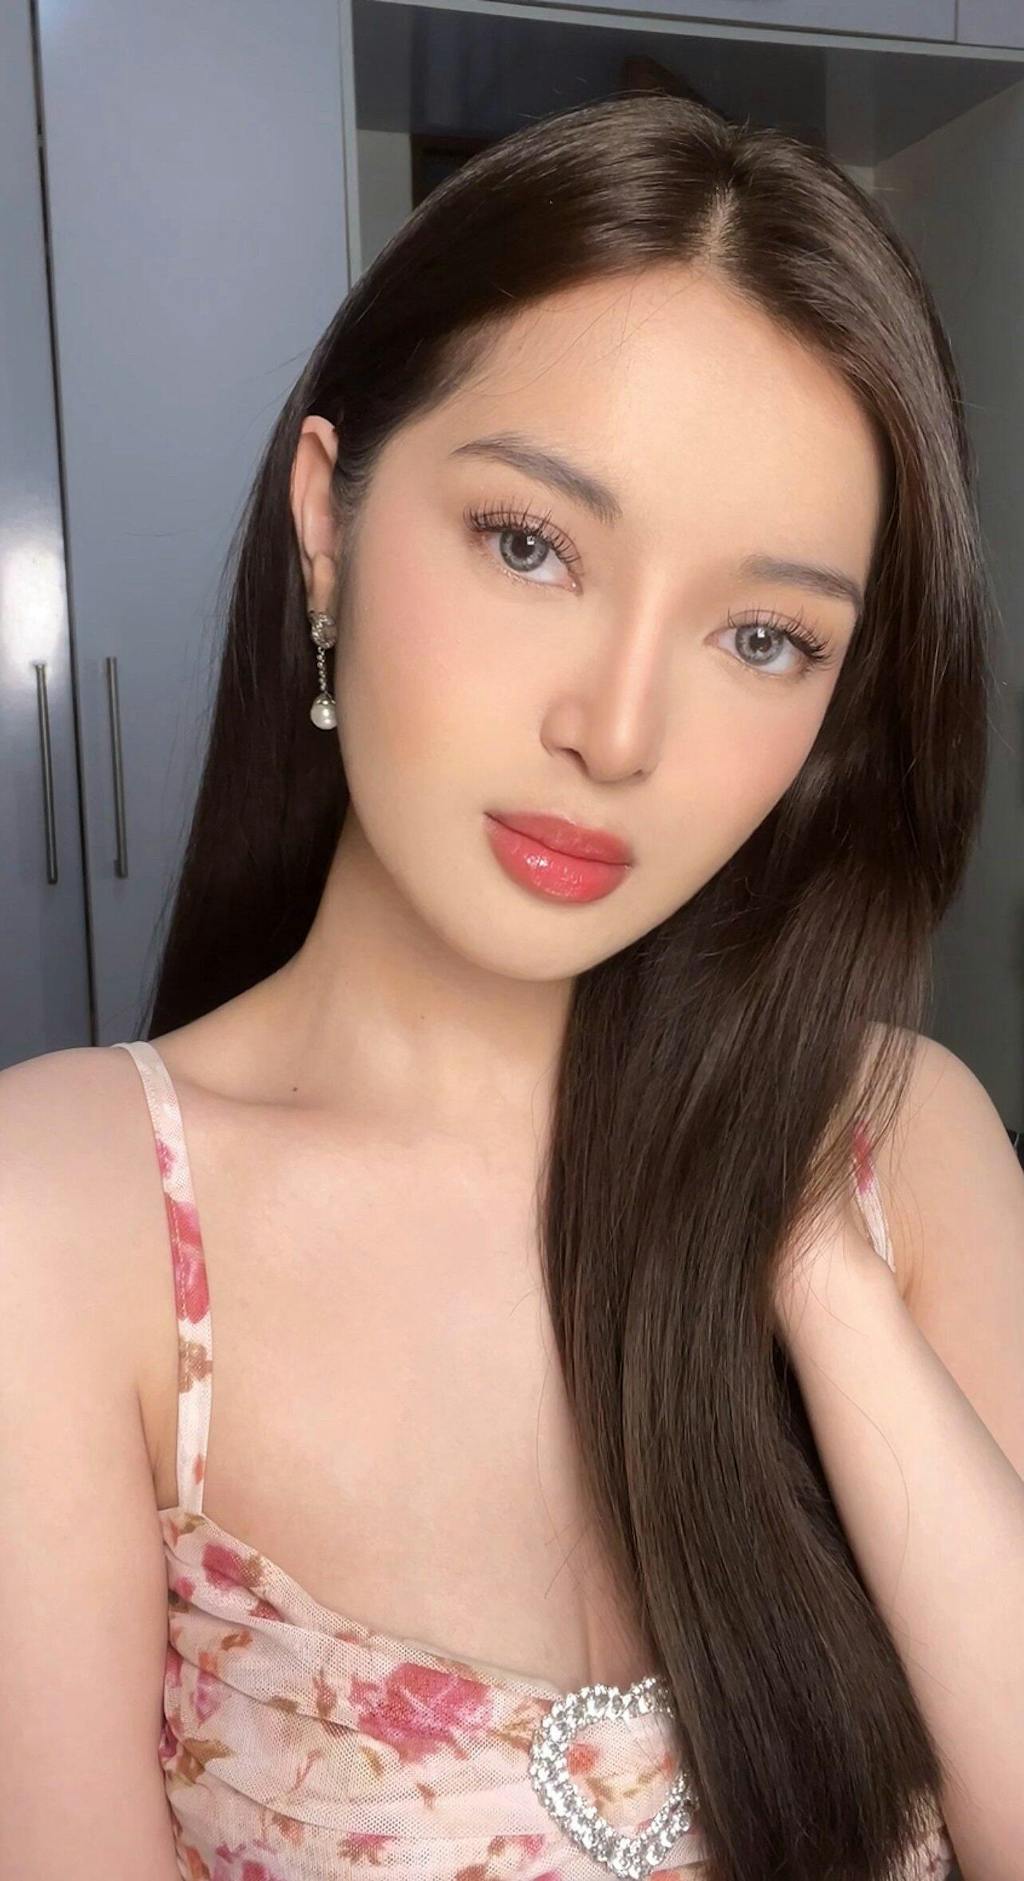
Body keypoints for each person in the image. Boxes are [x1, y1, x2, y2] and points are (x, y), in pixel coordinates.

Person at [2, 90, 1022, 1881]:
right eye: (530, 543)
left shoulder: (902, 1145)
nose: (616, 733)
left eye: (762, 637)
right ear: (327, 521)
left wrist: (805, 1251)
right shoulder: (70, 1219)